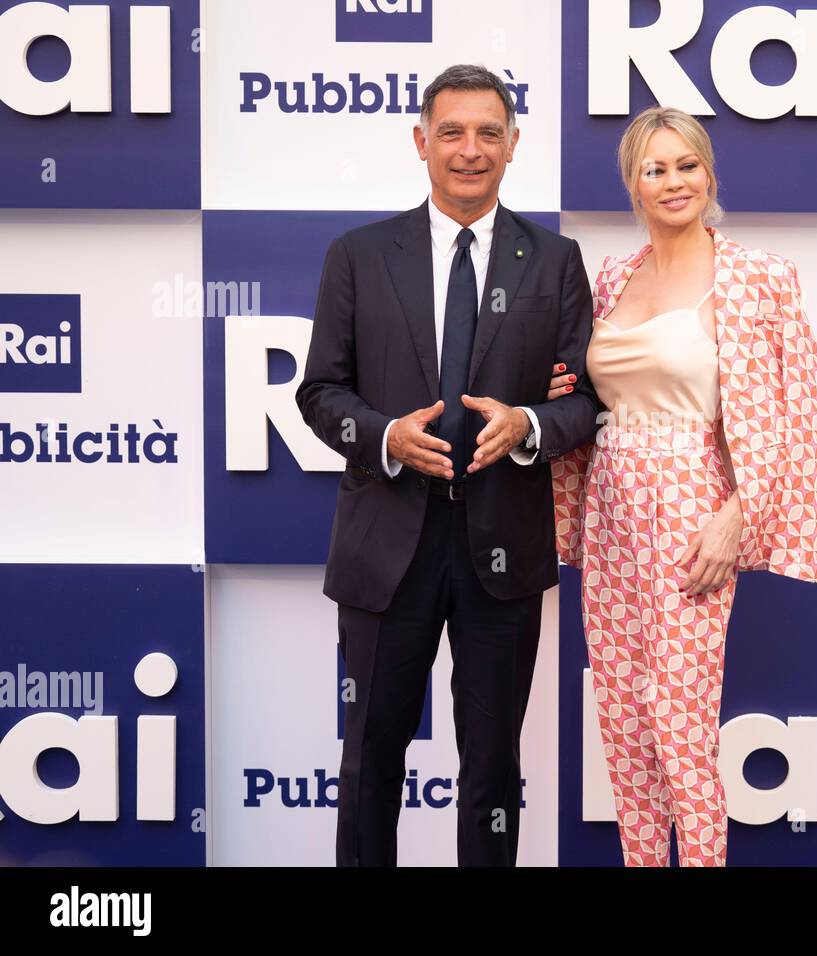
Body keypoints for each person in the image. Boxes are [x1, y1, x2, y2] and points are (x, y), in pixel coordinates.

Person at [296, 64, 599, 867]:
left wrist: (531, 422)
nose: (471, 150)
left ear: (514, 145)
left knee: (493, 768)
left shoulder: (556, 260)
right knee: (369, 763)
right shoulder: (357, 256)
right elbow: (320, 390)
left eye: (489, 133)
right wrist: (386, 436)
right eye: (453, 132)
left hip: (503, 548)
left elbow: (585, 401)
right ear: (422, 141)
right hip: (383, 546)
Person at [548, 106, 817, 866]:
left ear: (708, 173)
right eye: (655, 168)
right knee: (622, 715)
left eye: (687, 165)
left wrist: (738, 515)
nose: (673, 181)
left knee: (678, 717)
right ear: (633, 185)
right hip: (612, 503)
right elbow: (595, 394)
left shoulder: (758, 277)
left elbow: (796, 410)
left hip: (692, 503)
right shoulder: (613, 274)